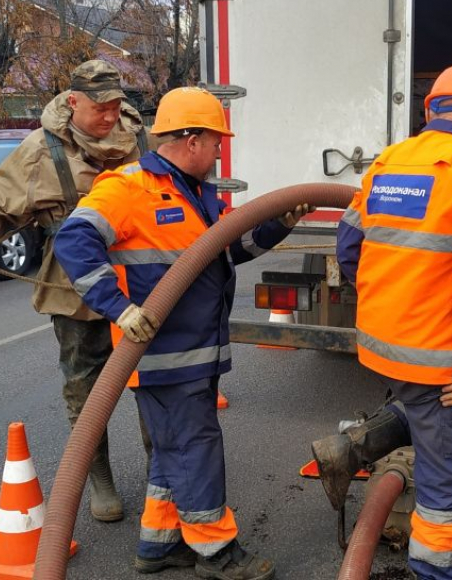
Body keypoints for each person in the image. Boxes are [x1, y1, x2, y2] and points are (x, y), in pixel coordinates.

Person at [53, 86, 311, 579]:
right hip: (162, 355)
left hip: (196, 351)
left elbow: (230, 249)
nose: (220, 151)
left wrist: (278, 224)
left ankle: (159, 544)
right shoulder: (128, 188)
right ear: (191, 140)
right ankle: (216, 552)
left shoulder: (199, 193)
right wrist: (120, 309)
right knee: (195, 447)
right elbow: (74, 239)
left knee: (174, 448)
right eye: (216, 141)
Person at [312, 62, 452, 580]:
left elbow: (348, 246)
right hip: (439, 356)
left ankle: (352, 446)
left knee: (419, 412)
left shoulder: (389, 160)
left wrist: (394, 299)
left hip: (384, 343)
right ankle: (434, 571)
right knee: (448, 491)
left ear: (430, 111)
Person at [0, 59, 145, 523]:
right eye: (99, 107)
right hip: (74, 286)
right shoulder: (40, 149)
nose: (109, 116)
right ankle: (100, 479)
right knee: (84, 385)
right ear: (73, 102)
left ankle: (164, 475)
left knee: (155, 380)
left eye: (115, 105)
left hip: (143, 277)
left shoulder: (139, 138)